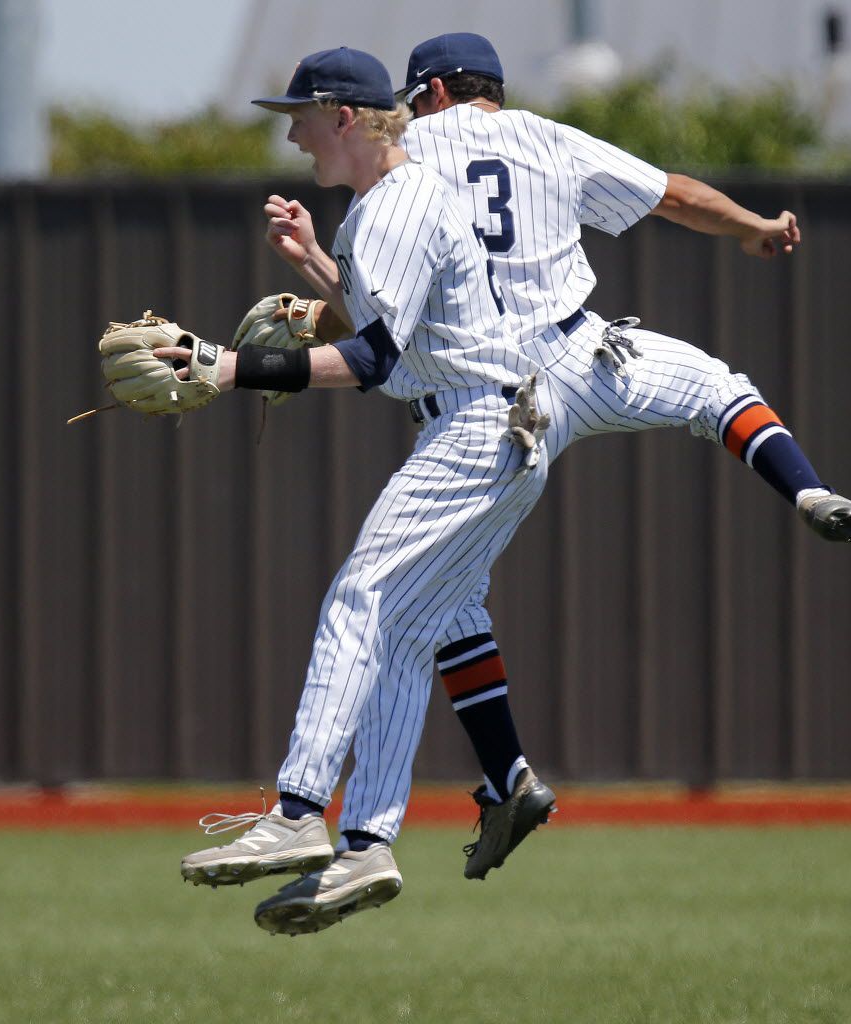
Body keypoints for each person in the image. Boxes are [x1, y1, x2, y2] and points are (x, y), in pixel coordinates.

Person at [274, 31, 851, 905]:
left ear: (424, 94)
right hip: (589, 353)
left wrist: (312, 274)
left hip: (488, 399)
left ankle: (492, 778)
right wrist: (755, 228)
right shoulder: (545, 136)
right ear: (491, 91)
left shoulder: (402, 158)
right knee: (718, 390)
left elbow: (374, 320)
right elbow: (676, 195)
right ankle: (805, 487)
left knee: (438, 598)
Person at [171, 46, 553, 935]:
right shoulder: (402, 199)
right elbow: (398, 325)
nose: (294, 134)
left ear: (345, 117)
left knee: (360, 598)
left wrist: (232, 368)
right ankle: (368, 841)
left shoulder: (392, 205)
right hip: (506, 431)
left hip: (472, 426)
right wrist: (313, 261)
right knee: (408, 628)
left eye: (300, 115)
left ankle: (298, 812)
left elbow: (377, 361)